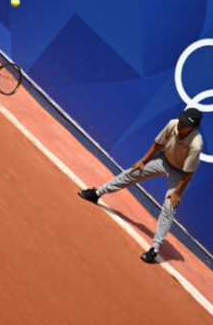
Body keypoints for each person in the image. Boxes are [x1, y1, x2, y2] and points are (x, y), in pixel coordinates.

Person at [78, 108, 203, 263]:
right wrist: (143, 161)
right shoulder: (173, 124)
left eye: (186, 124)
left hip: (180, 174)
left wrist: (177, 192)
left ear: (194, 127)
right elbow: (158, 144)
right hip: (163, 160)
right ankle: (96, 193)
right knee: (132, 173)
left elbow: (188, 173)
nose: (181, 125)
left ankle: (155, 249)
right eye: (182, 121)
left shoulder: (196, 144)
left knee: (169, 206)